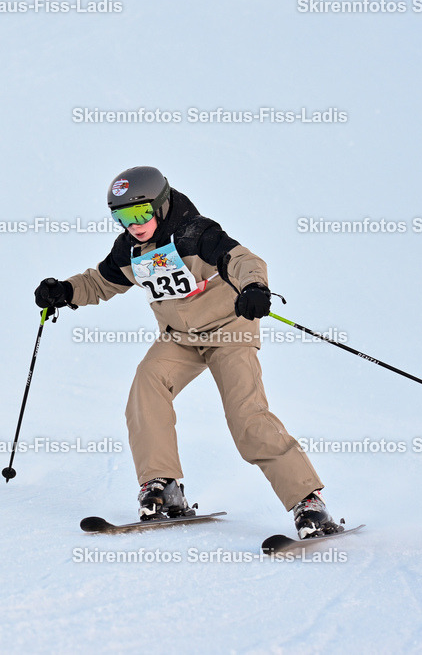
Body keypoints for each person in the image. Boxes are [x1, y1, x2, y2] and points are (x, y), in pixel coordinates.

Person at [34, 166, 341, 538]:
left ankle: (308, 501)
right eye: (123, 217)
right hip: (180, 337)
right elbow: (100, 281)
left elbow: (245, 261)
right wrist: (65, 291)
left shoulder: (197, 233)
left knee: (246, 415)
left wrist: (254, 287)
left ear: (162, 205)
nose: (134, 225)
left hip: (228, 330)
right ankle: (163, 485)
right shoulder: (129, 250)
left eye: (141, 213)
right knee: (147, 385)